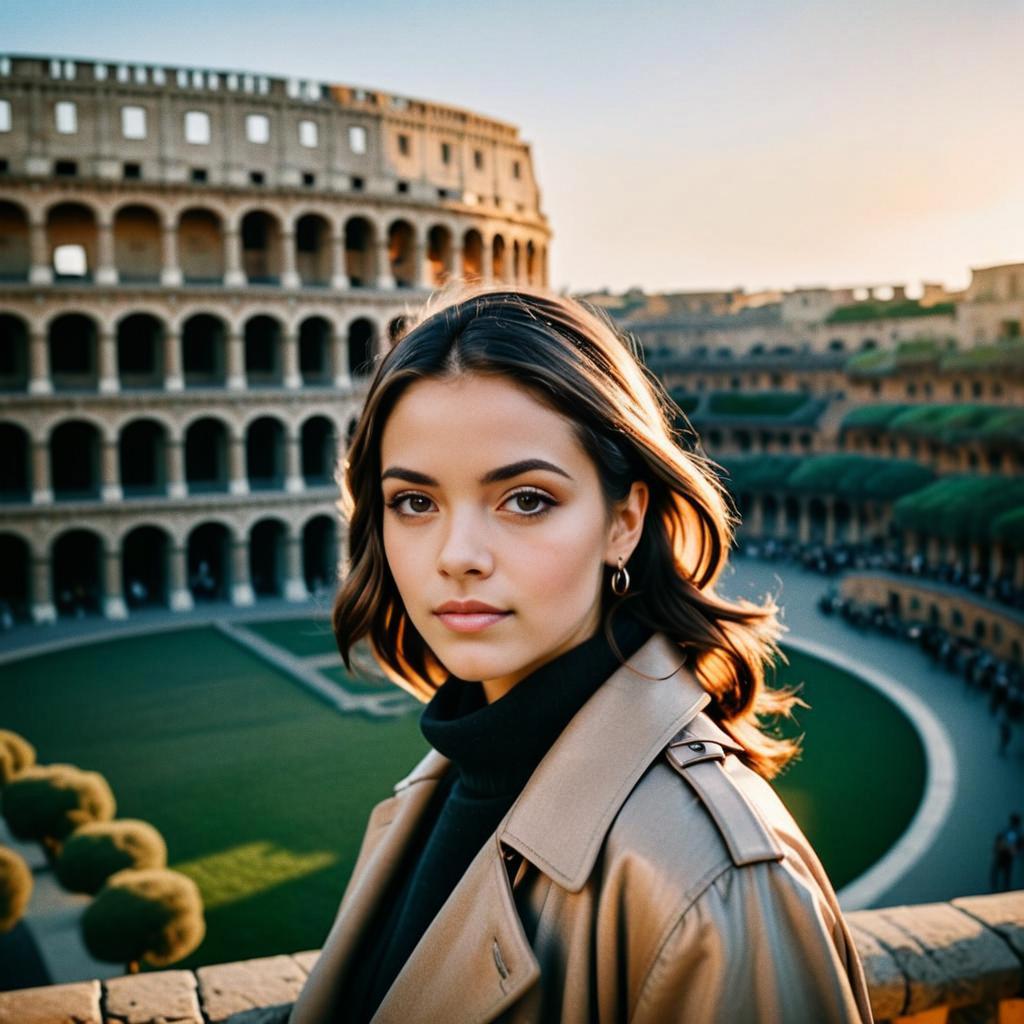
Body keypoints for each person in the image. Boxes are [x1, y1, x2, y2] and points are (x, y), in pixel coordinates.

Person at [289, 283, 875, 1024]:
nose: (457, 555)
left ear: (624, 521)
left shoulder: (712, 881)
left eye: (526, 499)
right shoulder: (442, 781)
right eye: (415, 502)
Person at [991, 813, 1022, 892]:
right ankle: (997, 890)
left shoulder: (1013, 832)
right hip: (1002, 856)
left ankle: (1002, 891)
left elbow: (1013, 846)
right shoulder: (1009, 831)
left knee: (1004, 875)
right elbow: (1000, 842)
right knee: (999, 874)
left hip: (1005, 856)